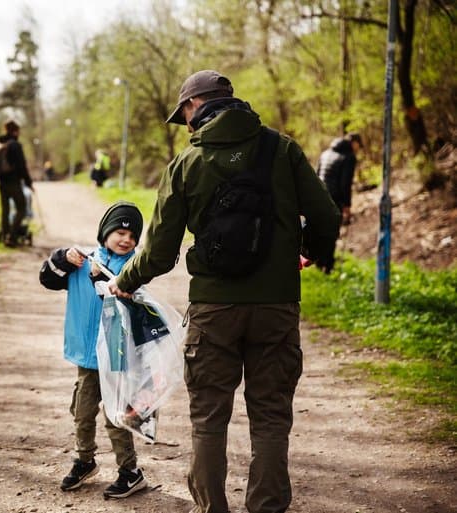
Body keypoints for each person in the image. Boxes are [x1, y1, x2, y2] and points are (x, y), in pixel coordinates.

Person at [108, 70, 340, 513]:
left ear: (195, 106)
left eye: (185, 116)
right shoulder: (282, 149)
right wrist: (304, 248)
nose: (187, 125)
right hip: (276, 307)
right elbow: (326, 216)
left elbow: (158, 253)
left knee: (208, 422)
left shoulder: (186, 164)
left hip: (213, 312)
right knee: (271, 419)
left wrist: (125, 280)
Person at [39, 201, 149, 500]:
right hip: (87, 355)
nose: (126, 239)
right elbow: (47, 279)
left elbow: (130, 297)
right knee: (82, 412)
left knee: (116, 417)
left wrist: (103, 276)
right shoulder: (82, 260)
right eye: (120, 232)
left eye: (132, 236)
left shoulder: (134, 267)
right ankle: (84, 460)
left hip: (116, 355)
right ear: (105, 232)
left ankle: (130, 471)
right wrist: (62, 258)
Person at [0, 120, 33, 247]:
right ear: (15, 131)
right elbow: (22, 166)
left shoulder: (0, 143)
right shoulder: (15, 145)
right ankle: (12, 236)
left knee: (5, 211)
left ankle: (5, 236)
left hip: (1, 182)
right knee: (21, 208)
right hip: (13, 182)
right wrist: (28, 182)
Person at [316, 132, 363, 225]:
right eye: (359, 145)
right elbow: (345, 183)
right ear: (354, 143)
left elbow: (316, 176)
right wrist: (347, 206)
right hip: (334, 200)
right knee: (332, 231)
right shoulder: (349, 157)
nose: (358, 149)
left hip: (318, 197)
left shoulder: (325, 153)